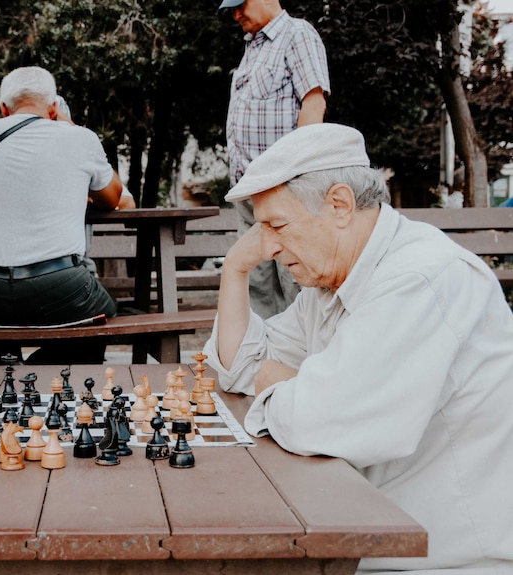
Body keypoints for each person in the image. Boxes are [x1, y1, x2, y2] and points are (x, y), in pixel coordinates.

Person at [203, 123, 513, 573]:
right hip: (365, 534)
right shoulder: (330, 282)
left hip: (443, 558)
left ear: (340, 205)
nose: (267, 246)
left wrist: (290, 383)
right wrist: (234, 269)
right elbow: (241, 370)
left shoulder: (419, 279)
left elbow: (318, 421)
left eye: (277, 225)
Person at [0, 66, 123, 365]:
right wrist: (70, 125)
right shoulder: (79, 137)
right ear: (53, 109)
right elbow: (112, 198)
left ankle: (6, 366)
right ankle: (34, 371)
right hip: (59, 286)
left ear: (3, 109)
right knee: (105, 315)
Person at [218, 0, 330, 318]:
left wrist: (293, 175)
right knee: (257, 285)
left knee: (295, 282)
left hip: (283, 187)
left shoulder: (297, 34)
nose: (235, 13)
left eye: (241, 4)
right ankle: (265, 363)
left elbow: (313, 104)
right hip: (247, 189)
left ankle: (303, 364)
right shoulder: (252, 46)